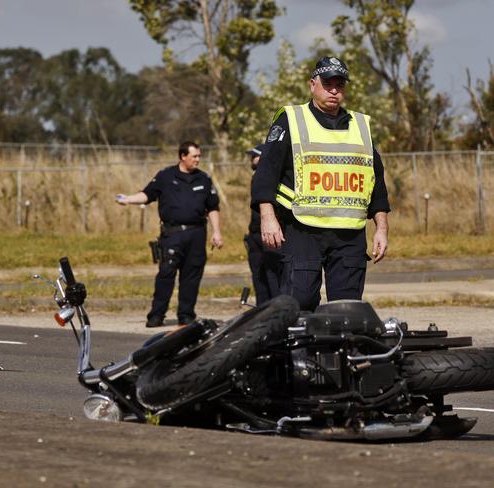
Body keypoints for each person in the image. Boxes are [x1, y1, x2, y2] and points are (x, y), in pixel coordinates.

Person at [251, 56, 390, 311]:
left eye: (340, 85)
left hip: (349, 234)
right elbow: (266, 173)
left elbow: (376, 183)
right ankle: (299, 352)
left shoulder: (360, 125)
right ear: (312, 84)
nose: (335, 90)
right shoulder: (291, 119)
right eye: (328, 84)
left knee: (347, 308)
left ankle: (339, 352)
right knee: (299, 303)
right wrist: (267, 216)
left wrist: (381, 228)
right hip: (304, 230)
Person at [116, 141, 224, 327]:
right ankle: (156, 315)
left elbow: (213, 207)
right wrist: (128, 200)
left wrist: (217, 232)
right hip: (172, 234)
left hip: (197, 234)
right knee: (166, 275)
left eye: (199, 156)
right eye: (194, 156)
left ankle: (186, 315)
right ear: (183, 156)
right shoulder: (166, 176)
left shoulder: (204, 179)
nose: (198, 159)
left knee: (191, 276)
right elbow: (147, 195)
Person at [244, 144, 281, 305]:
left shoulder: (273, 177)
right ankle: (262, 310)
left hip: (270, 234)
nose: (252, 160)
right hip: (255, 235)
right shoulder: (256, 177)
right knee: (259, 278)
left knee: (274, 277)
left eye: (255, 156)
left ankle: (276, 309)